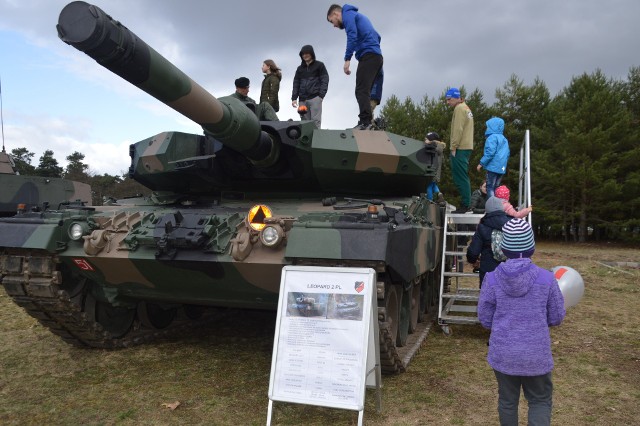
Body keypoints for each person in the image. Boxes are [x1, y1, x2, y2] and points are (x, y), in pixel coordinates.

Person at [477, 218, 566, 425]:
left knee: (507, 401)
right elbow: (556, 317)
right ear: (532, 247)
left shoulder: (491, 279)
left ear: (503, 248)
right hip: (536, 354)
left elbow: (485, 318)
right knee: (540, 400)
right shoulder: (547, 279)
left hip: (504, 354)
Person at [327, 4, 383, 130]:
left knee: (361, 90)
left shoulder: (348, 15)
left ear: (336, 14)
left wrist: (347, 59)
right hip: (376, 56)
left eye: (332, 21)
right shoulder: (358, 16)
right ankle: (369, 122)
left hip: (368, 56)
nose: (334, 25)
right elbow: (377, 35)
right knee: (364, 91)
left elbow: (351, 35)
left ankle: (365, 122)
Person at [466, 196, 510, 286]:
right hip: (509, 272)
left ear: (487, 210)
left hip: (488, 273)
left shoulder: (482, 226)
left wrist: (472, 260)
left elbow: (473, 252)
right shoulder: (511, 223)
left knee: (488, 298)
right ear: (502, 208)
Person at [445, 87, 474, 213]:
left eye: (449, 99)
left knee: (460, 177)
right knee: (463, 176)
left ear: (456, 97)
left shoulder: (459, 108)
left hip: (460, 147)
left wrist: (453, 147)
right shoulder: (466, 107)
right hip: (466, 146)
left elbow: (458, 129)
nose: (447, 102)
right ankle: (466, 203)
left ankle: (466, 204)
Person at [291, 45, 329, 129]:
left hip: (315, 98)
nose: (305, 55)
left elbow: (325, 80)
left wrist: (321, 96)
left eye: (307, 53)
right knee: (304, 123)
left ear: (311, 53)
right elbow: (296, 83)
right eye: (303, 54)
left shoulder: (320, 65)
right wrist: (294, 98)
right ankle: (307, 142)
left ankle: (316, 141)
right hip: (302, 100)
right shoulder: (299, 69)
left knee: (315, 122)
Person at [477, 117, 510, 197]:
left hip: (493, 166)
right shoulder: (504, 139)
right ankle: (497, 205)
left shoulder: (492, 138)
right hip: (502, 167)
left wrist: (481, 163)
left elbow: (490, 153)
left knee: (490, 186)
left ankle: (492, 206)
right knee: (496, 187)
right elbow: (508, 153)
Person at [424, 131, 445, 202]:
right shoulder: (439, 147)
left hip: (432, 171)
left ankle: (430, 200)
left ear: (431, 140)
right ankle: (439, 194)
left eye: (426, 139)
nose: (425, 141)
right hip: (436, 171)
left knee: (428, 185)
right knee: (433, 184)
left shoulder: (433, 147)